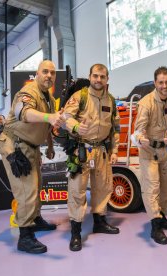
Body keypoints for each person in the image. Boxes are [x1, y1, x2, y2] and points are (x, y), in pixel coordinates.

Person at [0, 60, 65, 254]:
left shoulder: (50, 99)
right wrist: (49, 117)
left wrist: (50, 146)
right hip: (15, 144)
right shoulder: (28, 92)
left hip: (32, 146)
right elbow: (23, 113)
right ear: (37, 73)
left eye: (52, 73)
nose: (49, 76)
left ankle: (35, 220)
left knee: (37, 185)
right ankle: (25, 237)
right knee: (27, 191)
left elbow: (48, 126)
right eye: (45, 71)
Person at [62, 63, 120, 252]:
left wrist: (115, 151)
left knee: (103, 187)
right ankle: (76, 231)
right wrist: (77, 127)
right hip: (81, 150)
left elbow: (115, 128)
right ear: (90, 76)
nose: (98, 80)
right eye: (95, 76)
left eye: (102, 77)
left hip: (101, 151)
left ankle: (99, 222)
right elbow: (65, 117)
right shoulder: (80, 96)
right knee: (77, 191)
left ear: (107, 79)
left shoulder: (110, 100)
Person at [131, 66, 167, 245]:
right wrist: (140, 138)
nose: (164, 86)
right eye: (160, 82)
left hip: (164, 150)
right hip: (148, 150)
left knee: (166, 189)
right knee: (152, 188)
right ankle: (155, 226)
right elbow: (138, 129)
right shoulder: (146, 102)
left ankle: (162, 217)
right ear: (155, 83)